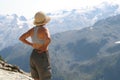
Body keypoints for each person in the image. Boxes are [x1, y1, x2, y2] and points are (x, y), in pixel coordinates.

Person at [19, 11, 51, 80]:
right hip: (42, 55)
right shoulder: (44, 29)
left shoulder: (32, 30)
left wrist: (31, 44)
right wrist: (44, 47)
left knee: (36, 77)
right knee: (45, 77)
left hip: (34, 55)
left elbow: (21, 38)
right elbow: (48, 39)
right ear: (44, 21)